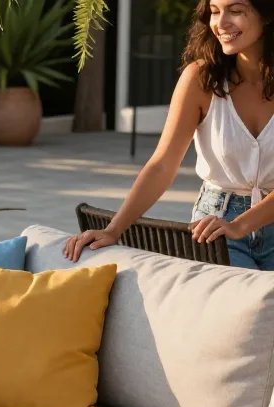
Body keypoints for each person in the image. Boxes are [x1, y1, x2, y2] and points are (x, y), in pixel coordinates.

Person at [64, 0, 274, 271]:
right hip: (216, 224)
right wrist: (113, 230)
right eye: (214, 11)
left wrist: (241, 225)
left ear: (267, 15)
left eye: (235, 11)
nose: (221, 24)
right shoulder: (201, 79)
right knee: (240, 309)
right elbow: (163, 164)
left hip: (248, 221)